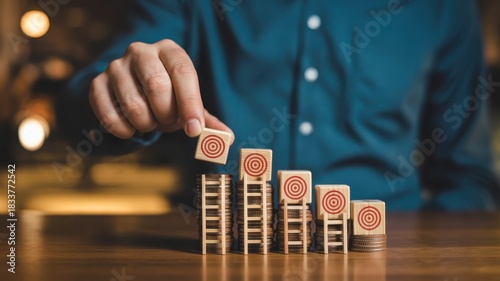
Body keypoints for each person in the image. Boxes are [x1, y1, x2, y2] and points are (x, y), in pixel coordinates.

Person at [60, 0, 500, 211]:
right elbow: (78, 115)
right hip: (222, 254)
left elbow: (469, 178)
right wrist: (116, 98)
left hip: (388, 255)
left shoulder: (445, 8)